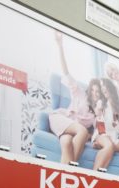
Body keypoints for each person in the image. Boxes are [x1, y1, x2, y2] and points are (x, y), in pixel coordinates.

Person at [49, 32, 95, 165]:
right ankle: (72, 170)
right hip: (62, 119)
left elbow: (99, 131)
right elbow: (66, 72)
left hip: (72, 133)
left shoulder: (98, 113)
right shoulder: (80, 93)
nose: (95, 93)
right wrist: (60, 46)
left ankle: (63, 173)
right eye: (93, 89)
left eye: (98, 92)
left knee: (67, 144)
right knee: (82, 130)